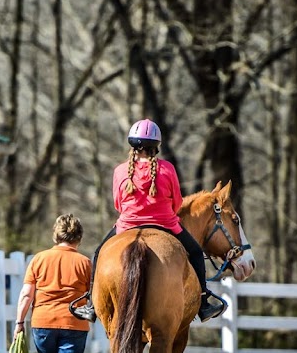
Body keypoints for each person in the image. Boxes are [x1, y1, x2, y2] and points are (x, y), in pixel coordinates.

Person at [71, 118, 226, 323]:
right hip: (166, 224)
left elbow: (118, 204)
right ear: (156, 147)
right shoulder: (167, 169)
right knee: (196, 253)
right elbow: (177, 202)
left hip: (127, 224)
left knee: (98, 253)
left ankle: (91, 304)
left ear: (132, 145)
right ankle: (204, 302)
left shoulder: (120, 171)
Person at [14, 214, 91, 353]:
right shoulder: (85, 263)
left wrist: (19, 323)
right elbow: (92, 299)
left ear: (56, 235)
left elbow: (27, 294)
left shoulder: (39, 259)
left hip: (43, 323)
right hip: (74, 324)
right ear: (78, 237)